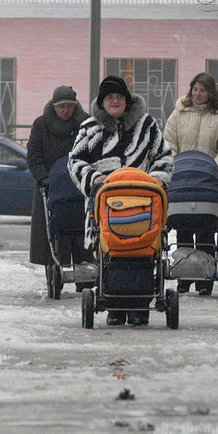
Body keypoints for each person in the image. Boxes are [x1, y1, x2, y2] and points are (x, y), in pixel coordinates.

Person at [68, 76, 174, 326]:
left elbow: (164, 156)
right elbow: (74, 161)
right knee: (109, 251)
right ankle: (113, 306)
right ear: (102, 101)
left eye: (119, 97)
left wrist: (156, 180)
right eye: (109, 97)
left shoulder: (146, 125)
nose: (115, 101)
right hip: (105, 205)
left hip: (143, 204)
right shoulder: (90, 128)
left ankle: (140, 307)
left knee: (142, 251)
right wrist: (93, 178)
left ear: (127, 100)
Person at [163, 72, 218, 295]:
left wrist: (213, 164)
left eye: (202, 90)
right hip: (182, 179)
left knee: (205, 230)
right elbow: (169, 143)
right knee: (183, 228)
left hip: (208, 180)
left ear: (210, 93)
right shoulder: (178, 114)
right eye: (195, 89)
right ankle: (184, 276)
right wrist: (177, 163)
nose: (198, 94)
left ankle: (204, 280)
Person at [27, 86, 90, 274]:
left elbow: (93, 151)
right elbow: (34, 156)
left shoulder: (86, 124)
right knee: (52, 228)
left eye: (70, 106)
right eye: (62, 106)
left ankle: (85, 267)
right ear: (54, 107)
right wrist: (43, 178)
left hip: (80, 185)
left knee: (82, 225)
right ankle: (53, 265)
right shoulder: (41, 125)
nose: (66, 110)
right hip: (50, 186)